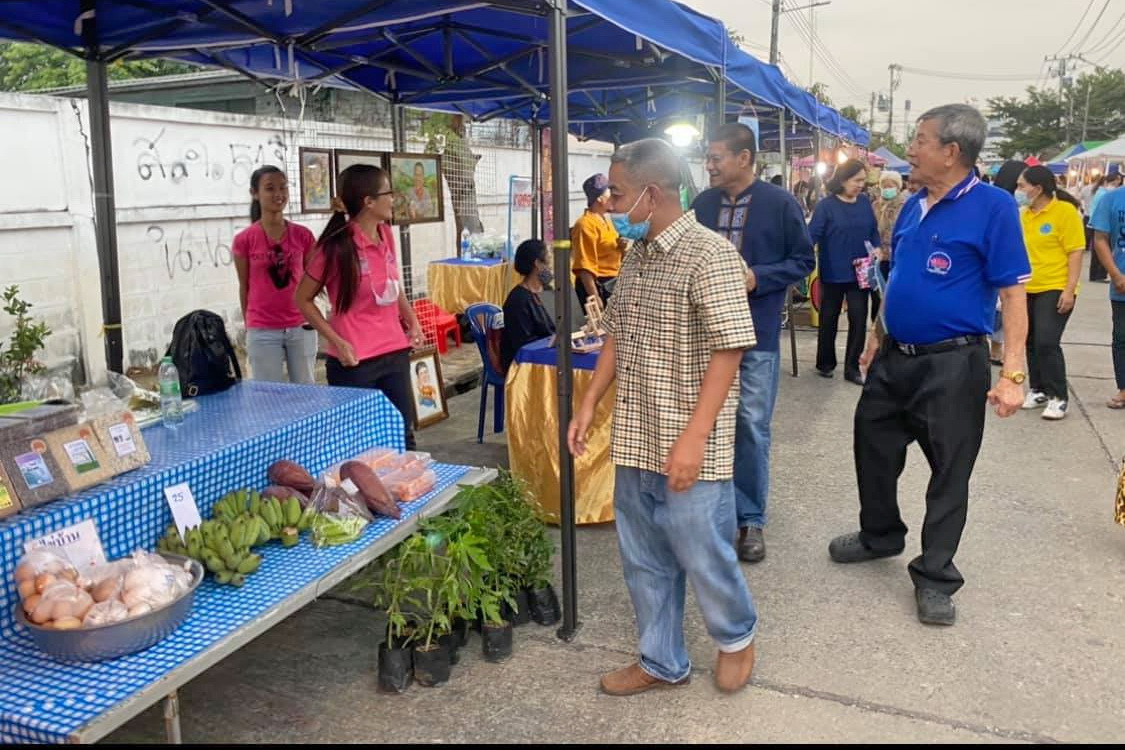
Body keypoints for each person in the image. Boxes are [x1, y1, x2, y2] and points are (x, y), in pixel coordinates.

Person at [568, 138, 758, 696]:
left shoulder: (710, 255)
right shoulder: (639, 253)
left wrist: (695, 439)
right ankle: (660, 659)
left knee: (703, 553)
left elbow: (730, 348)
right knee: (644, 558)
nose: (609, 203)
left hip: (689, 440)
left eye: (618, 193)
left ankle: (735, 635)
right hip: (637, 435)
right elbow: (617, 335)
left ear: (651, 194)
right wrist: (587, 403)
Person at [828, 104, 1030, 627]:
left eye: (919, 140)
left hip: (953, 365)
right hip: (896, 358)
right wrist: (876, 338)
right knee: (871, 446)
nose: (910, 149)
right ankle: (880, 535)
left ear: (951, 152)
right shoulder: (915, 204)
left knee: (949, 470)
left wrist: (1012, 374)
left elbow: (1013, 293)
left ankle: (936, 575)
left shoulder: (994, 207)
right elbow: (898, 281)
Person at [691, 122, 815, 563]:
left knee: (750, 425)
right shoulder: (702, 204)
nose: (710, 164)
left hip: (756, 332)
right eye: (708, 156)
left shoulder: (780, 203)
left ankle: (750, 520)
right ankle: (707, 512)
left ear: (744, 158)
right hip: (703, 334)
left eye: (717, 156)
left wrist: (758, 277)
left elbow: (803, 261)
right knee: (702, 422)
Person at [296, 164, 427, 449]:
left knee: (402, 435)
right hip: (354, 361)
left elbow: (394, 288)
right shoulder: (335, 247)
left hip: (394, 352)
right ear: (368, 201)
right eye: (388, 192)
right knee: (362, 446)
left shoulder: (386, 234)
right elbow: (302, 299)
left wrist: (412, 322)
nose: (394, 199)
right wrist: (336, 341)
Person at [232, 166, 318, 384]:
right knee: (269, 396)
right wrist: (251, 325)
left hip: (301, 326)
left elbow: (313, 281)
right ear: (254, 193)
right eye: (270, 188)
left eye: (283, 187)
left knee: (306, 392)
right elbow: (245, 286)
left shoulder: (303, 236)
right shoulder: (245, 239)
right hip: (263, 330)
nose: (278, 194)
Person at [1016, 166, 1086, 420]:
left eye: (1022, 186)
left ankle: (1059, 396)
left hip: (1055, 285)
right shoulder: (1022, 214)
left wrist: (1069, 290)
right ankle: (1038, 389)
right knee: (1030, 340)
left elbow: (1075, 253)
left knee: (1047, 341)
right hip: (1027, 286)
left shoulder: (1065, 213)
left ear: (1038, 188)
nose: (1019, 191)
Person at [808, 158, 881, 384]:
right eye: (856, 180)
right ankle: (825, 362)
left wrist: (877, 247)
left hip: (860, 272)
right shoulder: (826, 206)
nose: (860, 185)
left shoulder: (864, 203)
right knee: (828, 318)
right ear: (843, 179)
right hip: (833, 270)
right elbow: (812, 234)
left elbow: (872, 230)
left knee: (858, 319)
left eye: (863, 181)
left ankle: (853, 368)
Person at [1091, 171, 1125, 409]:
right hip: (1121, 283)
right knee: (1122, 338)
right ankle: (1123, 389)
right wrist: (1115, 274)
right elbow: (1100, 238)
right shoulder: (1110, 200)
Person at [500, 239, 556, 373]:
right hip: (526, 362)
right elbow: (523, 343)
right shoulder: (518, 300)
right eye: (548, 260)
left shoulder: (547, 290)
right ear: (538, 264)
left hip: (550, 352)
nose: (551, 266)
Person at [570, 173, 623, 309]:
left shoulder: (606, 220)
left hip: (611, 283)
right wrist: (595, 297)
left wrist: (621, 248)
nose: (612, 197)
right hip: (597, 286)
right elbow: (585, 266)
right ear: (600, 198)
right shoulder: (585, 224)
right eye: (609, 193)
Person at [872, 170, 907, 322]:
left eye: (891, 185)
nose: (888, 189)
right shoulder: (875, 206)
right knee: (877, 295)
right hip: (878, 257)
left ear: (898, 187)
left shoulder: (905, 206)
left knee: (893, 294)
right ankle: (876, 326)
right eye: (884, 185)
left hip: (897, 257)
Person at [1088, 171, 1123, 283]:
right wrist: (1116, 275)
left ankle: (1096, 275)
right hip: (1099, 223)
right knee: (1097, 254)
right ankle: (1097, 275)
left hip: (1095, 220)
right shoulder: (1108, 196)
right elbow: (1100, 239)